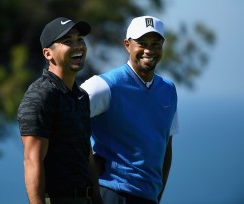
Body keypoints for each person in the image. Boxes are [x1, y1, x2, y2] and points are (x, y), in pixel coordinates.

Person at [81, 16, 179, 204]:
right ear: (127, 45)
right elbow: (67, 122)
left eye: (156, 44)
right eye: (141, 43)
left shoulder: (168, 90)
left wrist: (157, 197)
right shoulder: (104, 86)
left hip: (148, 198)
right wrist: (89, 167)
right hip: (111, 194)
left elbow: (166, 145)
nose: (149, 50)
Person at [18, 17, 102, 204]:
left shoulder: (81, 96)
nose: (78, 46)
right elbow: (32, 161)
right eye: (67, 42)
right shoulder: (40, 95)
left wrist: (96, 198)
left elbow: (86, 153)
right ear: (48, 54)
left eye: (79, 39)